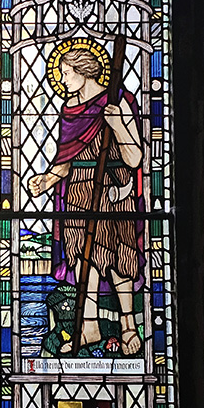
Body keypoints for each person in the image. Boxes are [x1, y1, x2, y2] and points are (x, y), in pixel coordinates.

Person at [28, 47, 142, 356]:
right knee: (82, 255)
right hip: (79, 189)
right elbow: (66, 159)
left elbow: (135, 158)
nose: (63, 80)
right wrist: (47, 180)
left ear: (84, 71)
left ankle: (128, 325)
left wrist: (118, 125)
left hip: (114, 188)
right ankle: (89, 327)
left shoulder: (118, 101)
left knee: (119, 254)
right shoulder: (70, 110)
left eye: (67, 73)